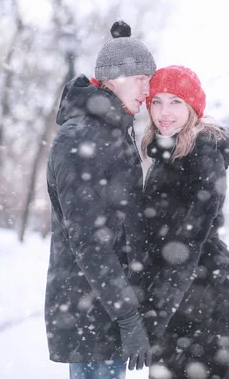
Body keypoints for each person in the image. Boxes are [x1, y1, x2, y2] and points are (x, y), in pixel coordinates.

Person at [45, 21, 156, 378]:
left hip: (105, 308)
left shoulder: (114, 133)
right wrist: (127, 316)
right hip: (90, 313)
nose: (147, 88)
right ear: (112, 78)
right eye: (140, 78)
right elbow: (89, 241)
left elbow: (121, 228)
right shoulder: (79, 138)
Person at [137, 65, 229, 379]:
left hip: (207, 303)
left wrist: (155, 315)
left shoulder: (202, 152)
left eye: (176, 102)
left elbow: (187, 242)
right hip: (181, 300)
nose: (164, 112)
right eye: (157, 101)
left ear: (192, 107)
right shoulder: (168, 152)